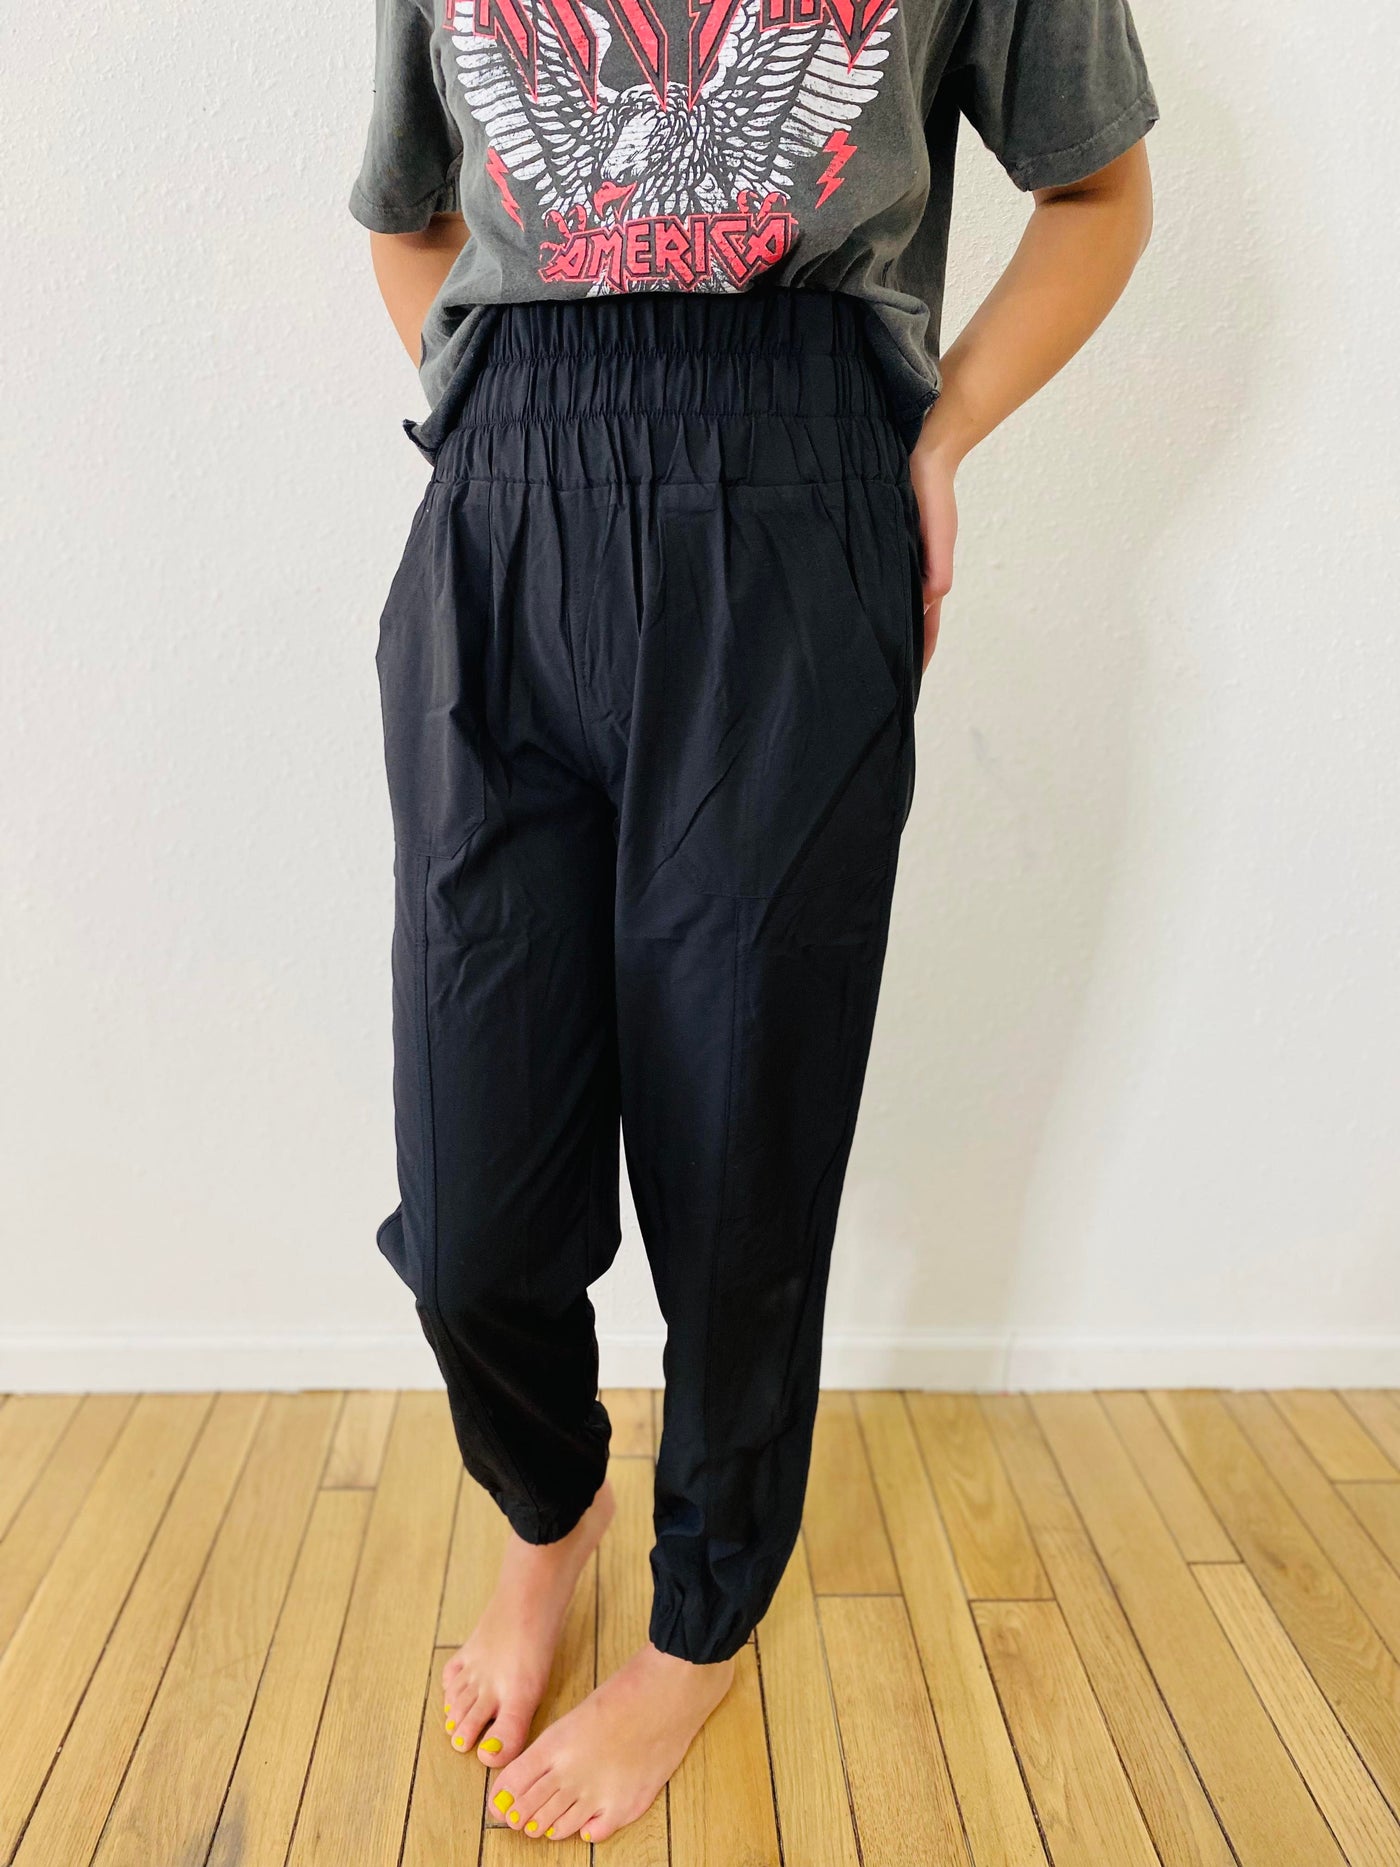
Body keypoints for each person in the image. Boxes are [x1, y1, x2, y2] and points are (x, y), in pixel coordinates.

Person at [351, 0, 1157, 1842]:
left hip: (795, 501)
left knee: (740, 1155)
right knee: (471, 1214)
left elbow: (1099, 192)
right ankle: (553, 1507)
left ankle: (698, 1629)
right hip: (505, 517)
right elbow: (410, 213)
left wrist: (938, 437)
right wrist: (501, 443)